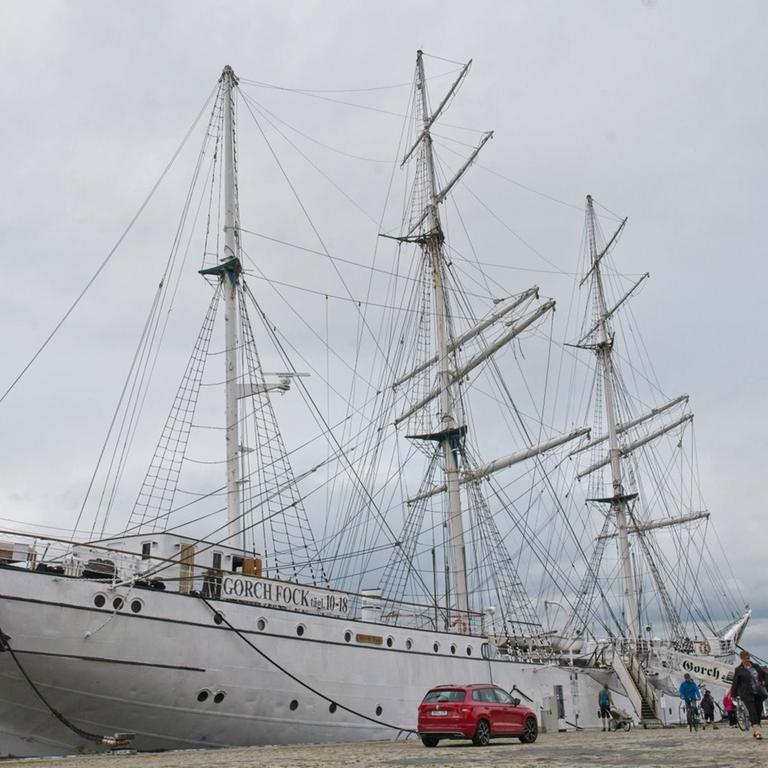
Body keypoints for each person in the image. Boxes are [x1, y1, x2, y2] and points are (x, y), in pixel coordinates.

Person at [730, 649, 766, 740]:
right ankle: (757, 732)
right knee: (752, 712)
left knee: (758, 712)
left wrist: (764, 682)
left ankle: (755, 729)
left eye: (748, 658)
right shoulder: (739, 669)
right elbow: (735, 683)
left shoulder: (756, 666)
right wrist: (733, 694)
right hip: (746, 694)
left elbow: (763, 675)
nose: (747, 660)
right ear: (741, 659)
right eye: (745, 658)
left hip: (758, 693)